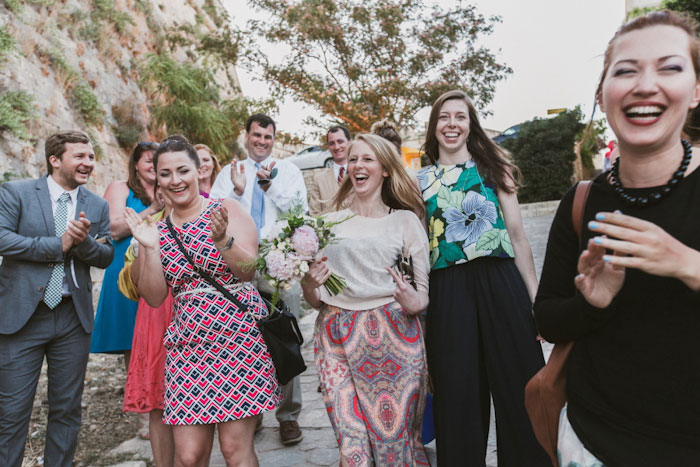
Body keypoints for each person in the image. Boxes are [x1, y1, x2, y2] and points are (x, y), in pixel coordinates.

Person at [534, 11, 700, 466]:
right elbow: (548, 319)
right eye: (625, 70)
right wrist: (593, 301)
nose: (645, 85)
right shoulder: (583, 200)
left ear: (697, 91)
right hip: (593, 445)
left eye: (670, 67)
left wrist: (688, 263)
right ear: (604, 94)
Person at [125, 135, 281, 466]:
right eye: (165, 173)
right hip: (188, 347)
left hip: (238, 341)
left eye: (183, 170)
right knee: (189, 455)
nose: (175, 180)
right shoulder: (155, 229)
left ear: (199, 171)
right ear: (157, 178)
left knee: (234, 450)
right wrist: (150, 248)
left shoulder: (226, 209)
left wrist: (224, 240)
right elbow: (154, 297)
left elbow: (248, 271)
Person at [417, 89, 550, 466]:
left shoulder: (495, 171)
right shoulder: (419, 181)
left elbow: (520, 239)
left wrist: (536, 301)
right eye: (444, 117)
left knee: (520, 385)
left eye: (460, 116)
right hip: (448, 290)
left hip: (501, 282)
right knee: (457, 393)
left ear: (470, 125)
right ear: (434, 126)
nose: (452, 123)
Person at [302, 133, 430, 465]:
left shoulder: (404, 221)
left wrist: (409, 299)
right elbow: (315, 299)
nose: (358, 165)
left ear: (385, 169)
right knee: (352, 446)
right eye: (353, 159)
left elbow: (422, 299)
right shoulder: (326, 224)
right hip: (336, 334)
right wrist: (309, 282)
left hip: (396, 338)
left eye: (367, 159)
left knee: (395, 447)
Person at [0, 130, 113, 467]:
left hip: (71, 319)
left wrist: (83, 244)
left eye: (91, 157)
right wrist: (58, 244)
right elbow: (3, 239)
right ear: (55, 159)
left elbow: (105, 256)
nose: (88, 163)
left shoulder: (97, 204)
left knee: (66, 410)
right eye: (80, 156)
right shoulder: (16, 192)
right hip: (22, 316)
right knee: (11, 412)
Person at [210, 113, 308, 445]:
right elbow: (215, 214)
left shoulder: (290, 170)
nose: (262, 141)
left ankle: (288, 415)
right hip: (238, 261)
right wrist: (238, 192)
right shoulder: (229, 172)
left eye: (268, 136)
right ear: (246, 135)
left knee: (286, 335)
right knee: (243, 339)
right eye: (256, 135)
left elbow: (299, 210)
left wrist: (271, 186)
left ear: (273, 138)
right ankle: (250, 413)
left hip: (279, 260)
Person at [91, 141, 163, 363]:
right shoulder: (120, 188)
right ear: (136, 165)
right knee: (130, 332)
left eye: (157, 161)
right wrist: (151, 210)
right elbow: (111, 229)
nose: (154, 165)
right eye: (149, 160)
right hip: (125, 268)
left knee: (160, 332)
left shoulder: (168, 188)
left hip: (159, 268)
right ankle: (135, 388)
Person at [120, 189, 174, 467]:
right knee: (158, 404)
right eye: (163, 179)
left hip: (192, 312)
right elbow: (133, 284)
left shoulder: (208, 216)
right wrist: (142, 245)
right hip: (155, 315)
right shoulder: (148, 227)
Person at [308, 125, 351, 215]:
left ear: (350, 142)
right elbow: (314, 215)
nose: (336, 147)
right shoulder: (319, 179)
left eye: (340, 141)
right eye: (332, 143)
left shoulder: (361, 174)